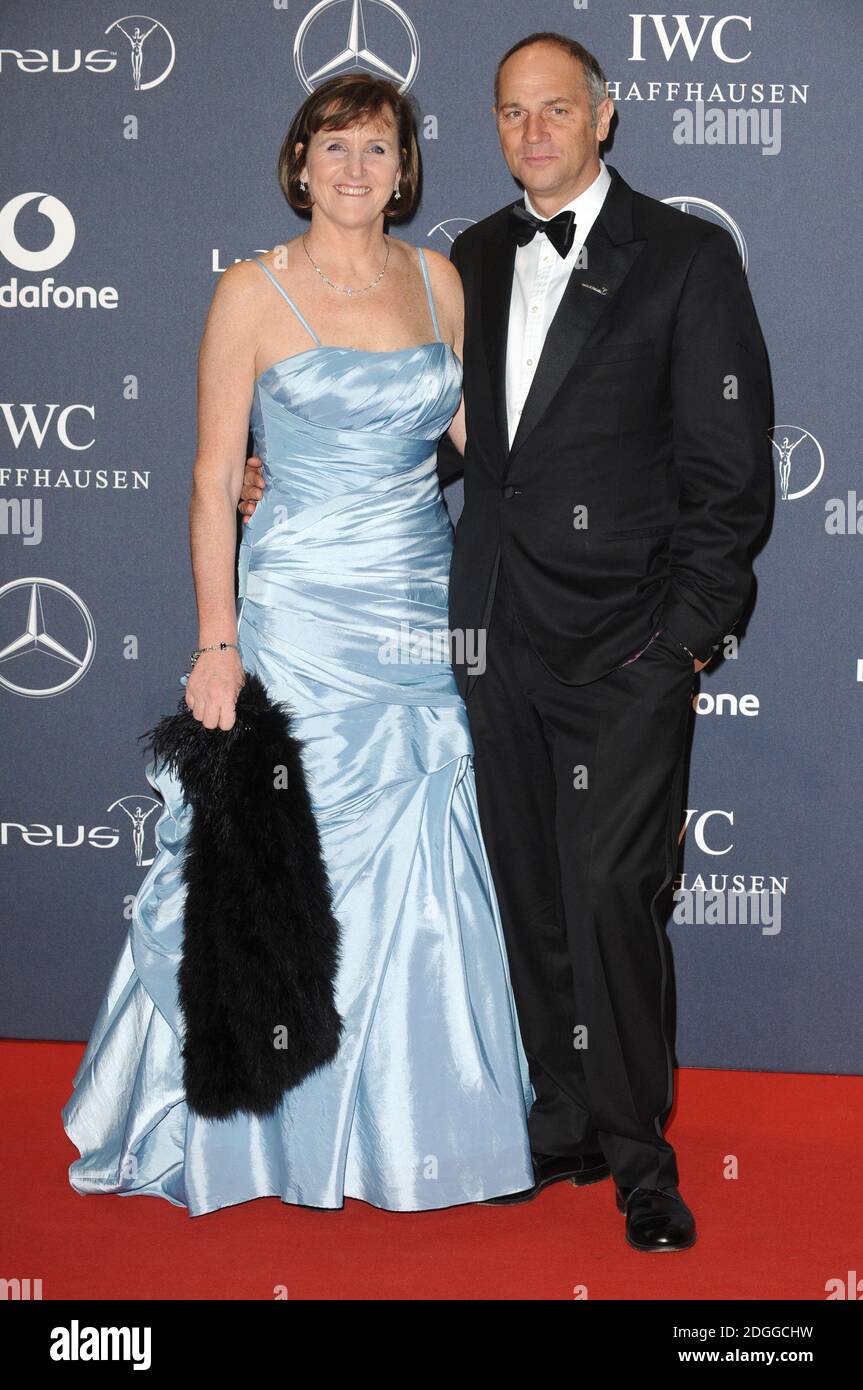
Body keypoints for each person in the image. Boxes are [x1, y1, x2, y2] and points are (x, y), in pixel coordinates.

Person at [240, 34, 772, 1251]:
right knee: (525, 892)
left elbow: (728, 477)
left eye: (554, 110)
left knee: (608, 895)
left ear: (603, 118)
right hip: (485, 638)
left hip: (628, 649)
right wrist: (312, 478)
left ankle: (641, 1157)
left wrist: (683, 641)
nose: (531, 132)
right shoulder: (468, 257)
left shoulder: (686, 260)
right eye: (510, 113)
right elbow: (461, 435)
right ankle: (563, 1118)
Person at [61, 73, 547, 1216]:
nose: (353, 168)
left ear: (403, 169)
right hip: (294, 620)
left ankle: (428, 1132)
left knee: (423, 858)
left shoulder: (438, 284)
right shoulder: (250, 291)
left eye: (376, 149)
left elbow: (488, 450)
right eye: (333, 145)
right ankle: (263, 1138)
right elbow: (207, 479)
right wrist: (215, 639)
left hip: (418, 613)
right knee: (287, 860)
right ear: (298, 161)